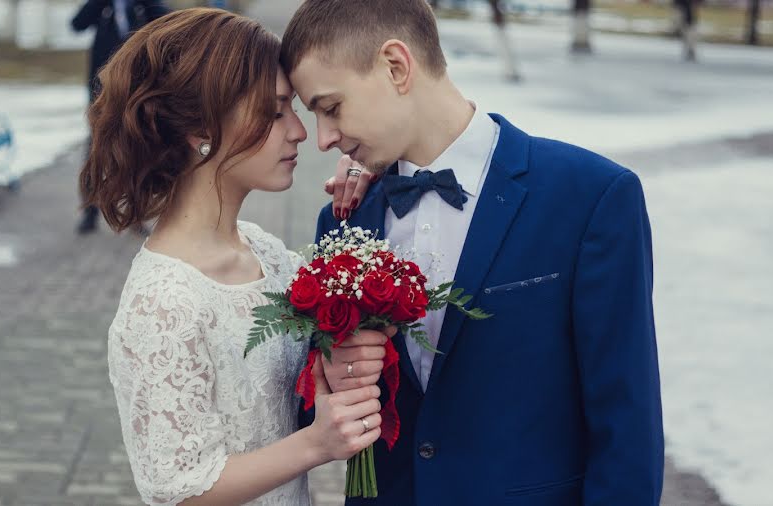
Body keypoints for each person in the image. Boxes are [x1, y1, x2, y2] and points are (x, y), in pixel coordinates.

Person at [281, 0, 664, 504]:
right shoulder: (344, 218)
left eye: (331, 108)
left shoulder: (591, 197)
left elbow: (627, 424)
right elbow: (319, 414)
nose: (325, 138)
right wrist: (336, 374)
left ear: (396, 66)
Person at [81, 8, 386, 505]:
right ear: (201, 129)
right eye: (274, 111)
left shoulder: (265, 252)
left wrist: (370, 190)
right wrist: (316, 444)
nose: (299, 131)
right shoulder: (163, 302)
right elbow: (180, 492)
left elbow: (327, 355)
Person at [72, 0, 170, 234]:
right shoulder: (102, 5)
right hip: (102, 92)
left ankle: (136, 214)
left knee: (137, 151)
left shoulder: (143, 4)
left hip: (136, 90)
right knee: (96, 153)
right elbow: (77, 24)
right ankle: (89, 212)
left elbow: (168, 20)